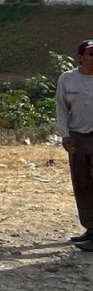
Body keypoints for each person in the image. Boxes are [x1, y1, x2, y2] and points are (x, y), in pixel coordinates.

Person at [55, 39, 93, 251]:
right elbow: (61, 107)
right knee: (82, 183)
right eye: (91, 54)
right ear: (80, 58)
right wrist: (65, 134)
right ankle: (90, 228)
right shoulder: (68, 79)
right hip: (78, 136)